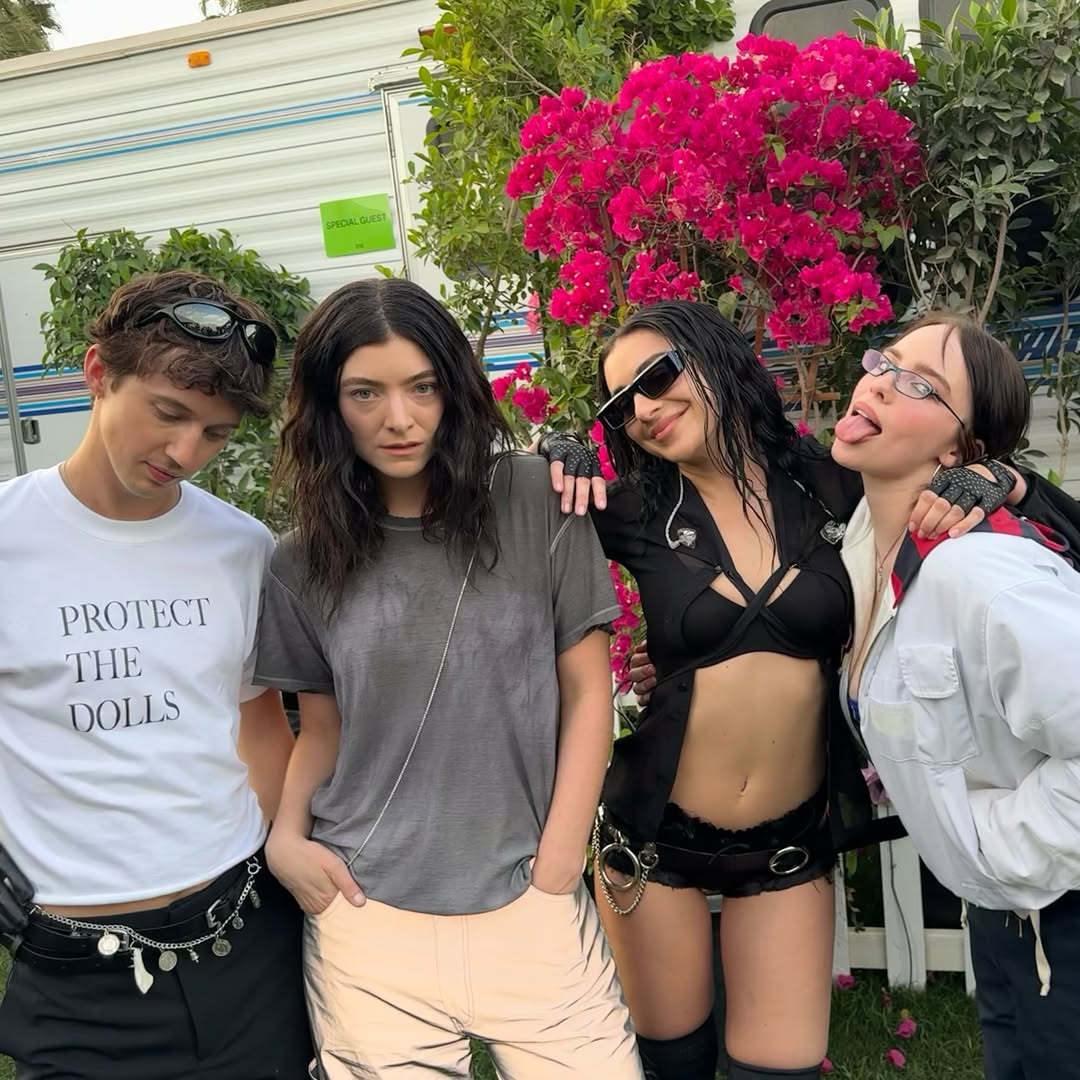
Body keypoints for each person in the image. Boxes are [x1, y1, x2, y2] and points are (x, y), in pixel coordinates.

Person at [534, 300, 1077, 1080]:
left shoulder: (834, 483)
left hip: (789, 845)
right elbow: (494, 524)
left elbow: (1033, 522)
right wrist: (552, 457)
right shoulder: (631, 513)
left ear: (715, 357)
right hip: (652, 839)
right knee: (671, 1065)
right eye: (620, 405)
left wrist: (1005, 481)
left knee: (779, 1068)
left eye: (656, 377)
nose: (643, 409)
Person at [253, 277, 643, 1080]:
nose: (399, 418)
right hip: (367, 914)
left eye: (422, 387)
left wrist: (557, 866)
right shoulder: (300, 562)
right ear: (329, 405)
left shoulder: (538, 499)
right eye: (365, 392)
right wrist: (286, 838)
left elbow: (586, 692)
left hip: (530, 903)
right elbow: (321, 729)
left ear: (453, 388)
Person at [0, 270, 312, 1080]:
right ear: (97, 372)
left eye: (215, 433)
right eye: (168, 414)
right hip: (75, 976)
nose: (185, 453)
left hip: (247, 940)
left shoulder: (242, 548)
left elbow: (259, 728)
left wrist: (294, 857)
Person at [832, 313, 1080, 1080]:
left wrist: (995, 846)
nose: (880, 381)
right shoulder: (864, 546)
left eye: (920, 384)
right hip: (1005, 913)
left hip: (1061, 910)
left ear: (959, 451)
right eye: (885, 361)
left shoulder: (982, 573)